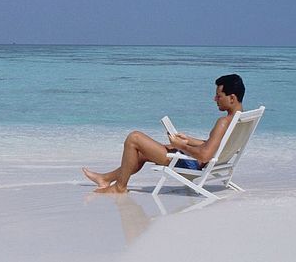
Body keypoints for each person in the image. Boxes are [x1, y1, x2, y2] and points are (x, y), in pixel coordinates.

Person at [82, 74, 245, 194]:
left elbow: (204, 156)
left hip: (192, 166)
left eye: (218, 96)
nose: (214, 99)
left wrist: (180, 146)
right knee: (141, 153)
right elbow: (216, 145)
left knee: (134, 138)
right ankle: (106, 178)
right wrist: (188, 140)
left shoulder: (223, 122)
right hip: (206, 163)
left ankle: (119, 187)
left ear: (231, 98)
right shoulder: (241, 120)